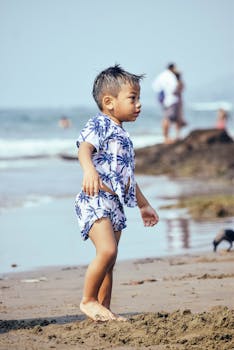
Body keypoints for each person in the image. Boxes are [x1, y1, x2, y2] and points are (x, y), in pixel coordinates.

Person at [75, 64, 159, 322]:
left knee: (109, 263)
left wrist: (144, 205)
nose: (139, 105)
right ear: (109, 102)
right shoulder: (99, 124)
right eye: (133, 98)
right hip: (95, 198)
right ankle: (88, 300)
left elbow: (128, 179)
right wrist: (89, 171)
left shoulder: (123, 136)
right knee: (107, 252)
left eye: (138, 98)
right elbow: (84, 149)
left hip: (114, 204)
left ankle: (103, 309)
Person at [152, 63, 186, 143]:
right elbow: (175, 87)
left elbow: (155, 86)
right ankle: (169, 137)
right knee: (169, 118)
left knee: (170, 118)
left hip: (165, 101)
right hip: (172, 100)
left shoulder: (161, 75)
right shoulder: (171, 75)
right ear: (172, 68)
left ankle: (167, 137)